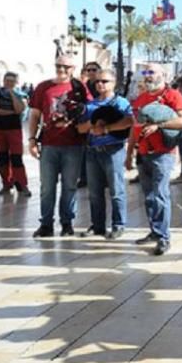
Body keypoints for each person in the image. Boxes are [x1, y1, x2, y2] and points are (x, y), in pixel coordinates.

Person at [127, 63, 182, 256]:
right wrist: (129, 152)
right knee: (148, 196)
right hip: (143, 152)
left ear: (163, 75)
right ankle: (155, 231)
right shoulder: (141, 98)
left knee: (160, 194)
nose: (147, 76)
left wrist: (159, 125)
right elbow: (135, 127)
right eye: (145, 72)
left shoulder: (172, 95)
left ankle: (164, 237)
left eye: (151, 72)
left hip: (163, 154)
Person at [28, 55, 90, 237]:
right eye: (58, 66)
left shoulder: (79, 87)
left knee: (70, 186)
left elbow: (90, 110)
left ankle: (67, 222)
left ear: (73, 68)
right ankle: (46, 224)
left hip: (73, 144)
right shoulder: (43, 87)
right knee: (47, 187)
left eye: (66, 67)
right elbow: (34, 115)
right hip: (49, 144)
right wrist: (31, 139)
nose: (62, 69)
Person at [77, 69, 133, 239]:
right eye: (98, 81)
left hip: (113, 150)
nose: (100, 84)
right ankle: (98, 225)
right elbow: (80, 128)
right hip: (92, 151)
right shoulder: (90, 105)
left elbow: (129, 122)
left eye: (105, 81)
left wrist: (106, 129)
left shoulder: (121, 102)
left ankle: (118, 225)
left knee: (116, 190)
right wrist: (92, 126)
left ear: (113, 83)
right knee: (94, 192)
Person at [0, 71, 30, 196]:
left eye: (12, 81)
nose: (9, 83)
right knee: (2, 158)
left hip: (14, 130)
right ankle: (6, 183)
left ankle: (22, 185)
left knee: (16, 158)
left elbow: (19, 109)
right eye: (7, 80)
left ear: (16, 82)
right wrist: (11, 112)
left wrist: (12, 94)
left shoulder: (21, 94)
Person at [76, 61, 102, 189]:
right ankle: (84, 177)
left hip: (100, 122)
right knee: (83, 151)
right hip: (85, 122)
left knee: (101, 150)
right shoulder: (82, 87)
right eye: (88, 70)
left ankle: (103, 178)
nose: (91, 72)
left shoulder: (103, 85)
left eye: (94, 69)